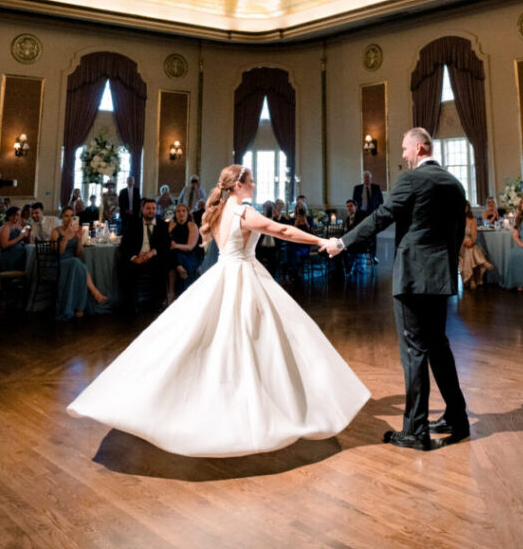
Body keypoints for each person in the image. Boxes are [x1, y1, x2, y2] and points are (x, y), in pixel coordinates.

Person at [67, 165, 370, 457]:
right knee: (261, 339)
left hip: (224, 274)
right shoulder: (242, 211)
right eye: (250, 180)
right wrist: (323, 240)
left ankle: (222, 398)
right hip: (243, 276)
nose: (254, 184)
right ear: (239, 185)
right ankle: (255, 408)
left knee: (215, 340)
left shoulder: (219, 211)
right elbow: (282, 231)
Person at [328, 127, 467, 452]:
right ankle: (457, 419)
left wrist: (343, 242)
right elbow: (457, 234)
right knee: (439, 347)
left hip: (413, 279)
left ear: (419, 148)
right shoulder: (455, 184)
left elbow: (382, 217)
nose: (403, 155)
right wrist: (445, 266)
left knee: (414, 351)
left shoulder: (412, 179)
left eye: (405, 149)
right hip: (440, 276)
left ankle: (416, 432)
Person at [51, 207, 107, 318]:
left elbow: (78, 253)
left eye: (72, 216)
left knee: (79, 264)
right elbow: (59, 253)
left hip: (73, 263)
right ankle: (91, 296)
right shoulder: (55, 231)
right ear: (62, 217)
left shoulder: (76, 230)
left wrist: (79, 239)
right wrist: (66, 237)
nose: (69, 219)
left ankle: (80, 307)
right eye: (66, 216)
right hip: (58, 263)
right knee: (78, 264)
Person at [119, 198, 171, 314]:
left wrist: (153, 252)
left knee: (160, 266)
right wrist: (134, 258)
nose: (151, 211)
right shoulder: (133, 224)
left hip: (154, 259)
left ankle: (156, 303)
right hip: (137, 258)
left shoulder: (162, 225)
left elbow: (166, 245)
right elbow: (124, 245)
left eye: (153, 208)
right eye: (148, 208)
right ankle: (131, 303)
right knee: (125, 266)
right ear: (142, 209)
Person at [167, 203, 201, 301]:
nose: (181, 213)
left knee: (174, 255)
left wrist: (176, 245)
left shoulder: (192, 225)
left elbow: (190, 247)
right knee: (172, 254)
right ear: (175, 214)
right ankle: (179, 267)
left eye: (183, 211)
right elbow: (167, 242)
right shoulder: (172, 225)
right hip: (174, 253)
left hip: (190, 254)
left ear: (187, 213)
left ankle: (171, 293)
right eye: (178, 211)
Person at [459, 202, 492, 290]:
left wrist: (471, 242)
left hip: (469, 243)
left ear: (468, 208)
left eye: (465, 207)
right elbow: (455, 236)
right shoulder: (456, 220)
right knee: (470, 250)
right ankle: (482, 262)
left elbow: (474, 237)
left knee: (470, 250)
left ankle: (472, 279)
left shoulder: (473, 220)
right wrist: (463, 241)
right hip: (459, 244)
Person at [0, 206, 28, 270]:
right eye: (17, 215)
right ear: (11, 216)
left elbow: (24, 236)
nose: (19, 217)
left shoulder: (19, 226)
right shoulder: (5, 228)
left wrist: (26, 233)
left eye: (20, 215)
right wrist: (20, 237)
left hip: (19, 255)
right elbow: (4, 245)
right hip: (9, 256)